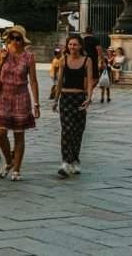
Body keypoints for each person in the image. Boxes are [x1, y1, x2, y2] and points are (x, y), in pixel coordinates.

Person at [0, 27, 40, 181]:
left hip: (21, 96)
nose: (15, 41)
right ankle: (9, 161)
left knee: (19, 135)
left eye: (18, 38)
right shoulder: (3, 53)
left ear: (23, 40)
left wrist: (37, 104)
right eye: (12, 38)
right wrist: (3, 59)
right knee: (0, 133)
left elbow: (33, 80)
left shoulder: (29, 57)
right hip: (3, 96)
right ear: (8, 39)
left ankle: (16, 169)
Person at [53, 35, 93, 177]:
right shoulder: (63, 60)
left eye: (75, 45)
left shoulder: (87, 61)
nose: (72, 47)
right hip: (66, 98)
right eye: (70, 44)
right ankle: (65, 162)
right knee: (67, 130)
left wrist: (89, 98)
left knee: (78, 131)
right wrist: (55, 100)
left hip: (80, 98)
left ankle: (75, 160)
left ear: (80, 46)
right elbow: (59, 82)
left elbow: (89, 82)